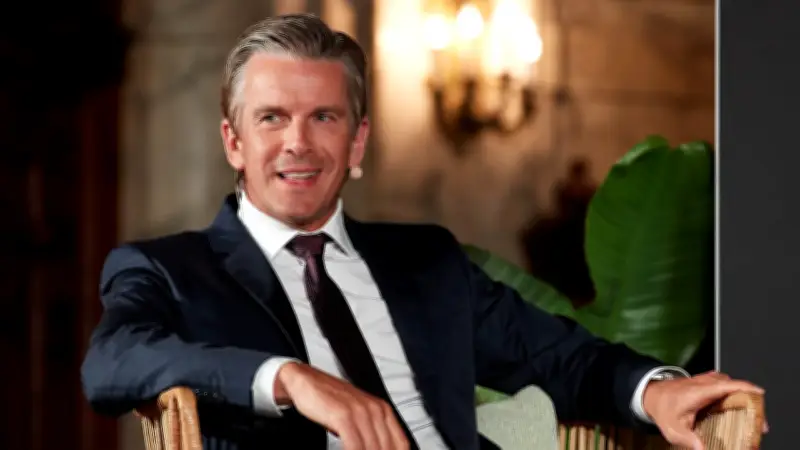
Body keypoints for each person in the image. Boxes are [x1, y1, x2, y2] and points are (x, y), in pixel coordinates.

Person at [80, 14, 764, 450]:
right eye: (271, 118)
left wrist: (657, 388)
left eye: (324, 118)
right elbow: (111, 363)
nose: (298, 143)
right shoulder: (171, 270)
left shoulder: (426, 261)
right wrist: (289, 378)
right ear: (234, 142)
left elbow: (560, 357)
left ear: (357, 141)